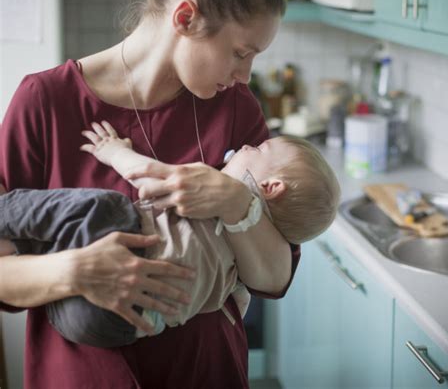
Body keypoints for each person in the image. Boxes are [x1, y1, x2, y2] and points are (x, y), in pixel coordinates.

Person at [0, 0, 300, 388]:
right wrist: (76, 271)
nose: (245, 75)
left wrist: (237, 202)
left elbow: (274, 278)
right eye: (241, 53)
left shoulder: (235, 108)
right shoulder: (45, 101)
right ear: (185, 18)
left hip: (208, 372)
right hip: (84, 375)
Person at [0, 122, 340, 348]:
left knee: (108, 206)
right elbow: (236, 300)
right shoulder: (239, 278)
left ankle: (7, 214)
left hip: (127, 269)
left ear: (269, 187)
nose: (246, 146)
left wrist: (112, 150)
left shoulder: (216, 194)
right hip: (115, 327)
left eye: (259, 149)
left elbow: (149, 179)